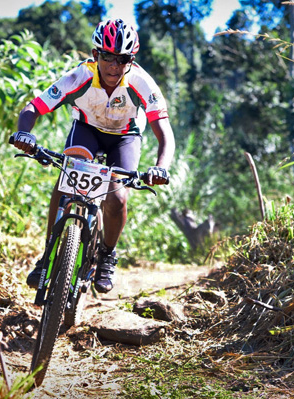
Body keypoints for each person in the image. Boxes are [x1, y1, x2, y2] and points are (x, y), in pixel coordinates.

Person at [10, 18, 175, 293]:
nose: (114, 65)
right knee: (67, 181)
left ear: (131, 60)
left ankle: (107, 255)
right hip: (86, 130)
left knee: (118, 197)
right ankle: (48, 255)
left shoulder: (142, 83)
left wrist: (161, 167)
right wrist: (24, 134)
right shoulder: (80, 76)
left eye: (122, 59)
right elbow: (34, 107)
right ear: (96, 54)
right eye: (108, 56)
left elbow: (164, 132)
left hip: (125, 137)